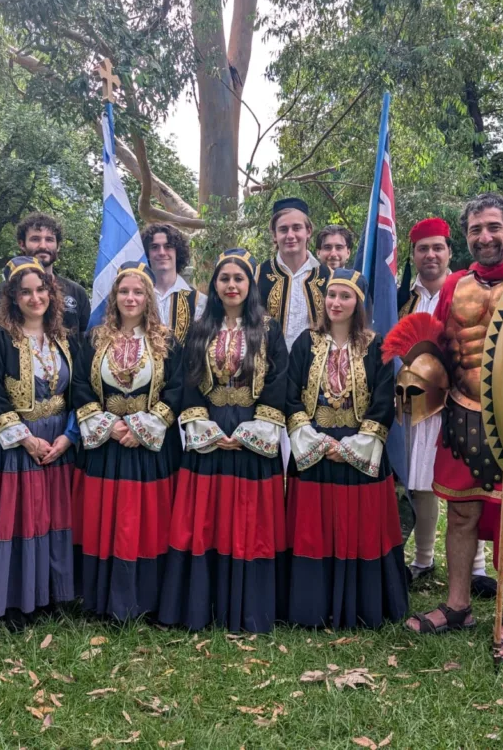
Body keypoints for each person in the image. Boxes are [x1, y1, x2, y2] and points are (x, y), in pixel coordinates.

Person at [390, 193, 503, 664]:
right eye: (476, 229)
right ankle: (457, 606)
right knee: (463, 514)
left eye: (493, 227)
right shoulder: (454, 284)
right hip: (463, 412)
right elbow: (441, 345)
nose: (485, 237)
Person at [159, 249, 288, 633]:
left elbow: (279, 382)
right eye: (224, 279)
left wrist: (252, 431)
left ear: (250, 286)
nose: (232, 285)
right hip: (210, 437)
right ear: (214, 286)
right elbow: (187, 381)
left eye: (239, 279)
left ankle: (250, 607)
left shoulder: (269, 329)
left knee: (251, 524)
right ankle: (203, 604)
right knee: (206, 522)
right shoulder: (199, 329)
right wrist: (207, 429)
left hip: (252, 437)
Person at [283, 269, 408, 628]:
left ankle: (360, 605)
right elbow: (291, 397)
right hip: (315, 453)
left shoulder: (376, 345)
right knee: (314, 530)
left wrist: (353, 447)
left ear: (359, 303)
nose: (336, 303)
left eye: (345, 296)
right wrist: (316, 441)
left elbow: (384, 403)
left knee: (360, 530)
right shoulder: (305, 343)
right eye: (332, 295)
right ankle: (311, 606)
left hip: (359, 455)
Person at [0, 257, 80, 630]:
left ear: (51, 292)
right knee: (19, 520)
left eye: (41, 289)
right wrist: (27, 440)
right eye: (25, 292)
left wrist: (67, 437)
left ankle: (51, 595)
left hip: (59, 440)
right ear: (12, 297)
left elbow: (78, 392)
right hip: (18, 444)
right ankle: (15, 601)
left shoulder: (63, 337)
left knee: (54, 518)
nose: (35, 298)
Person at [71, 262, 182, 621]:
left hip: (149, 448)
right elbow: (79, 387)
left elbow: (178, 389)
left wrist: (142, 427)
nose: (130, 298)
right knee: (103, 520)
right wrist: (109, 425)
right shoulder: (93, 339)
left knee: (144, 523)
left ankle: (145, 599)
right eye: (124, 291)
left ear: (149, 298)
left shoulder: (167, 340)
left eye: (138, 292)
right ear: (113, 296)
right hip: (105, 445)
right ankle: (99, 598)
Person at [399, 219, 495, 598]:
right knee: (420, 483)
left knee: (468, 481)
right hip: (417, 404)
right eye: (423, 249)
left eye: (437, 247)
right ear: (414, 255)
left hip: (462, 401)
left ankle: (477, 567)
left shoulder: (466, 292)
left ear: (449, 252)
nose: (431, 255)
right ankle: (422, 560)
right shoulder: (402, 297)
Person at [0, 213, 91, 337]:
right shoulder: (0, 293)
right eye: (35, 239)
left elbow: (85, 341)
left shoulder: (77, 293)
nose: (43, 246)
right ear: (22, 244)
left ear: (58, 246)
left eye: (49, 239)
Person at [256, 198, 332, 351]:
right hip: (270, 368)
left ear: (308, 231)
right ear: (274, 235)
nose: (290, 235)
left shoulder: (328, 276)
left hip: (314, 369)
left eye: (297, 228)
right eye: (283, 229)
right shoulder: (258, 274)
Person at [141, 223, 207, 342]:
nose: (162, 252)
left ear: (178, 252)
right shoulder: (137, 297)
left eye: (168, 246)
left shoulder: (199, 302)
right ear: (147, 253)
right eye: (154, 247)